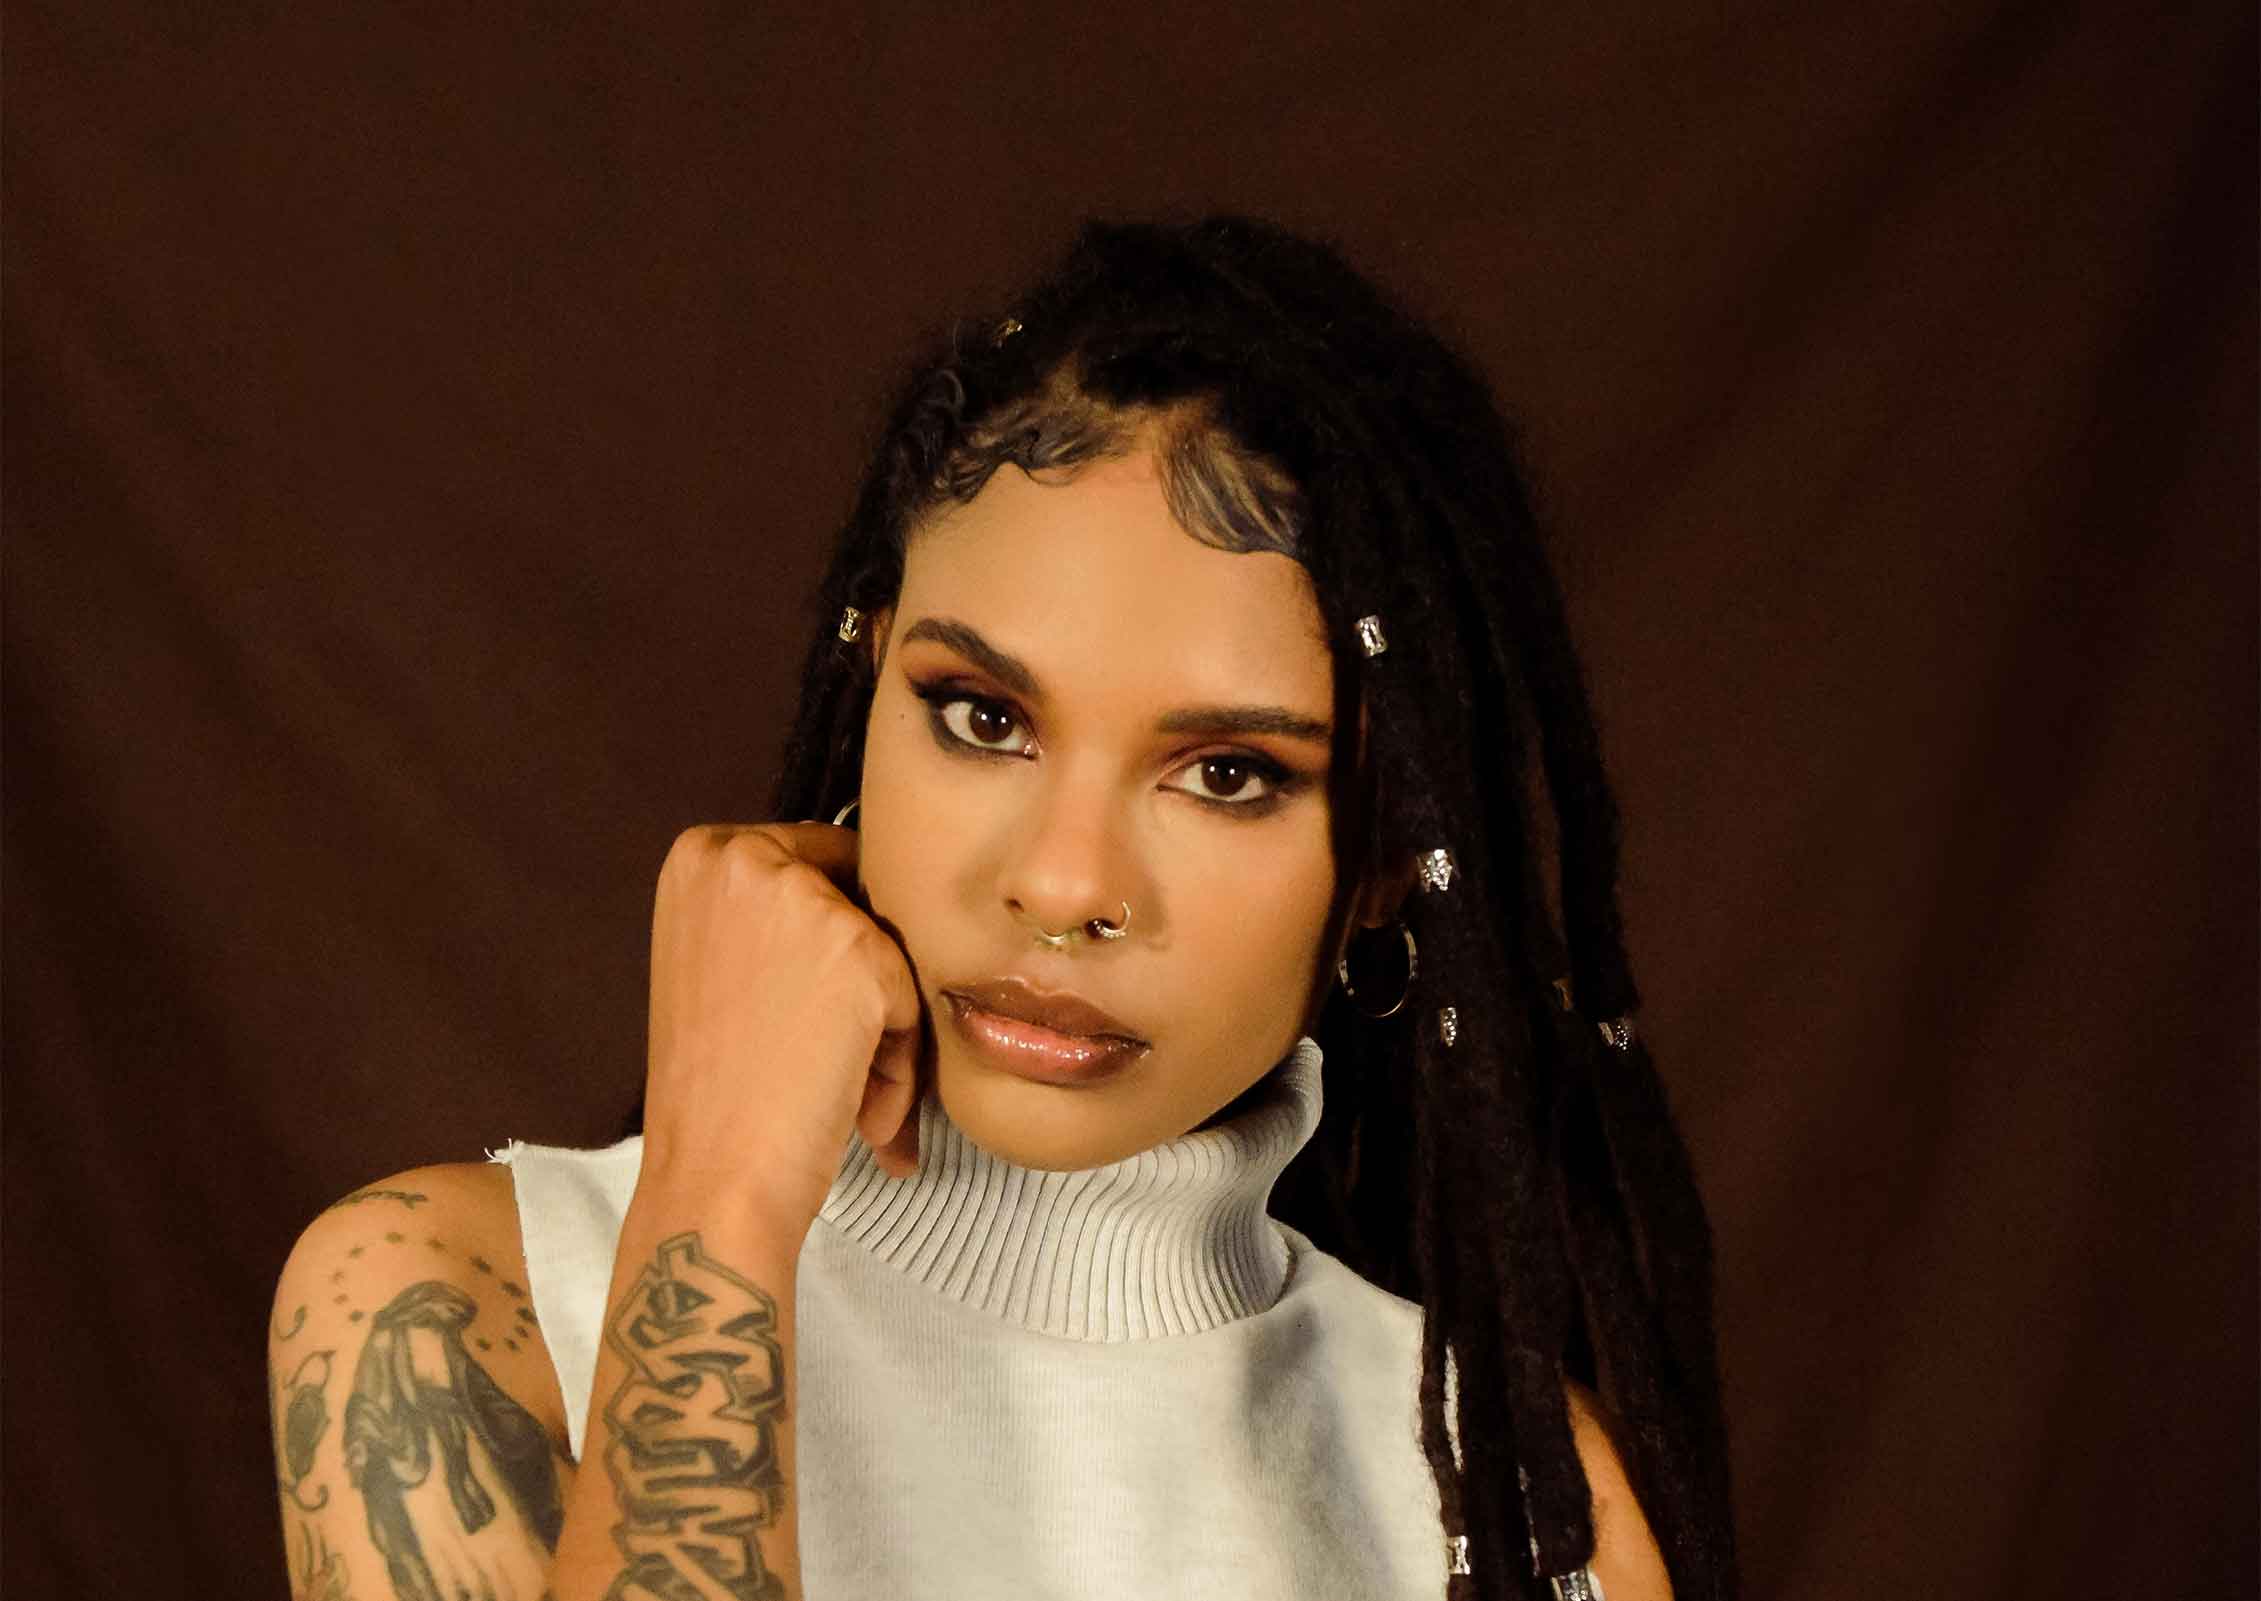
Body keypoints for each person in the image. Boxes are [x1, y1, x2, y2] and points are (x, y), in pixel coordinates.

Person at [269, 214, 1737, 1601]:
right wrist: (720, 1202)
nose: (1065, 883)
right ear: (870, 698)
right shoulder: (446, 1312)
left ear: (1382, 869)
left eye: (1227, 773)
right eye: (982, 717)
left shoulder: (1521, 1504)